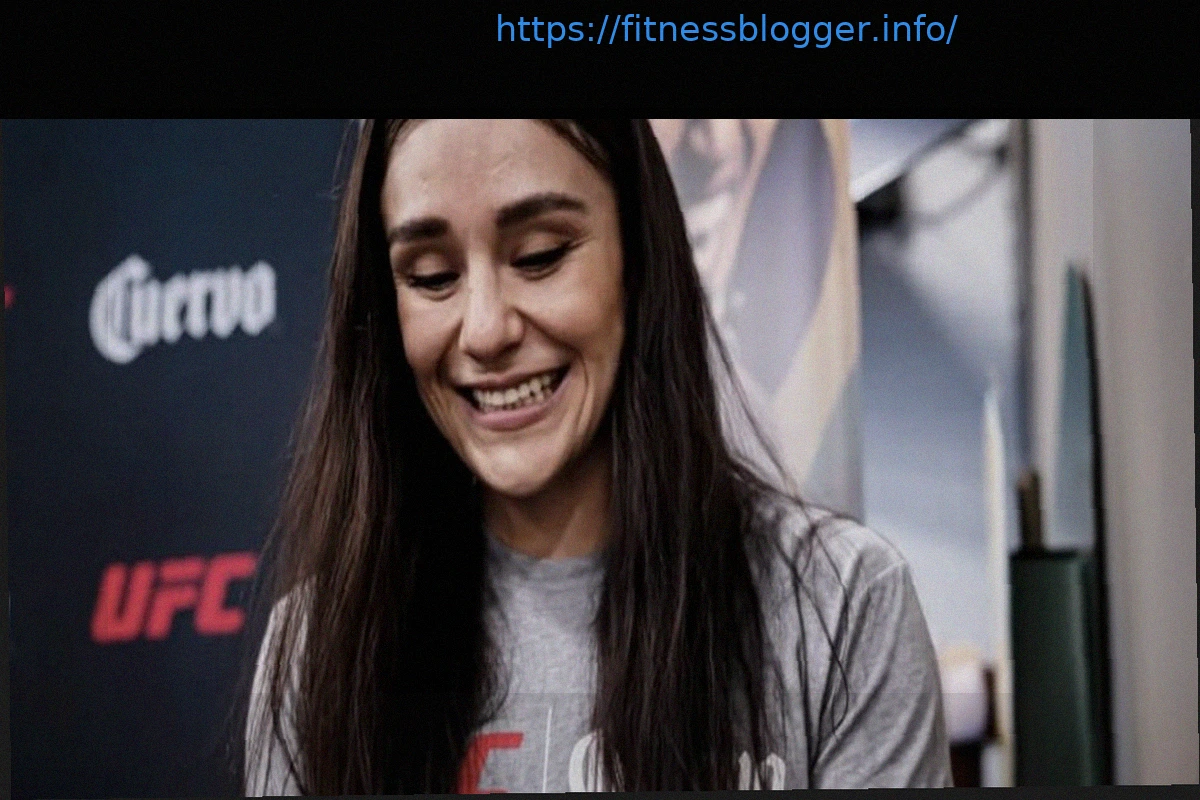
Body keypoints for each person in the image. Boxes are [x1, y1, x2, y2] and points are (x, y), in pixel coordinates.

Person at [243, 119, 950, 795]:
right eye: (432, 276)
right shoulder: (321, 648)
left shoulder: (842, 608)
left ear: (636, 257)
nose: (485, 329)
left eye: (539, 256)